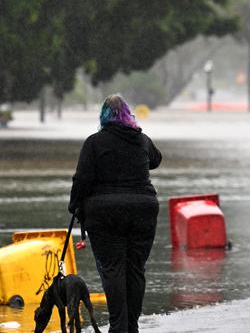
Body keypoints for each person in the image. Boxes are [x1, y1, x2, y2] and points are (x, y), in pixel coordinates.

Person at [69, 94, 161, 333]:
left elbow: (82, 179)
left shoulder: (94, 143)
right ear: (128, 116)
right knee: (135, 268)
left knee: (113, 269)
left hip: (105, 214)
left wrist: (75, 206)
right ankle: (132, 325)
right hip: (143, 210)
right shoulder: (141, 140)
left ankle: (118, 327)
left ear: (103, 117)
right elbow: (156, 160)